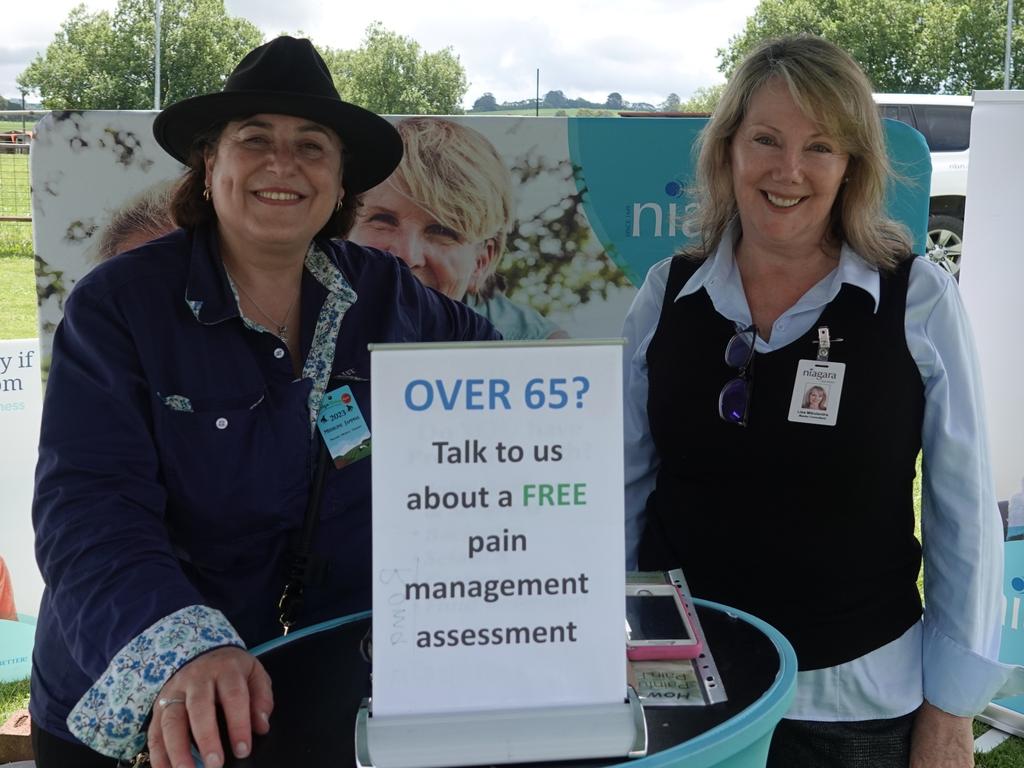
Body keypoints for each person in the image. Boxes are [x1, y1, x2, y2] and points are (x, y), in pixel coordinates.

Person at [31, 36, 499, 768]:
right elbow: (88, 510)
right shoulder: (119, 305)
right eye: (255, 140)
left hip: (318, 693)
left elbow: (515, 390)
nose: (284, 164)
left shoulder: (391, 293)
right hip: (157, 708)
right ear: (208, 163)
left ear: (341, 180)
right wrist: (185, 651)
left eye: (312, 146)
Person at [623, 35, 1007, 768]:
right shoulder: (665, 295)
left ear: (852, 165)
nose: (788, 170)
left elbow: (962, 511)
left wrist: (952, 710)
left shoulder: (916, 298)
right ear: (728, 149)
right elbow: (622, 489)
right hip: (685, 694)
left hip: (853, 705)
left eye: (821, 146)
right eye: (765, 138)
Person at [347, 117, 567, 340]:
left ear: (481, 261)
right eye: (382, 220)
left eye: (442, 232)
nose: (407, 256)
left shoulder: (539, 352)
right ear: (344, 231)